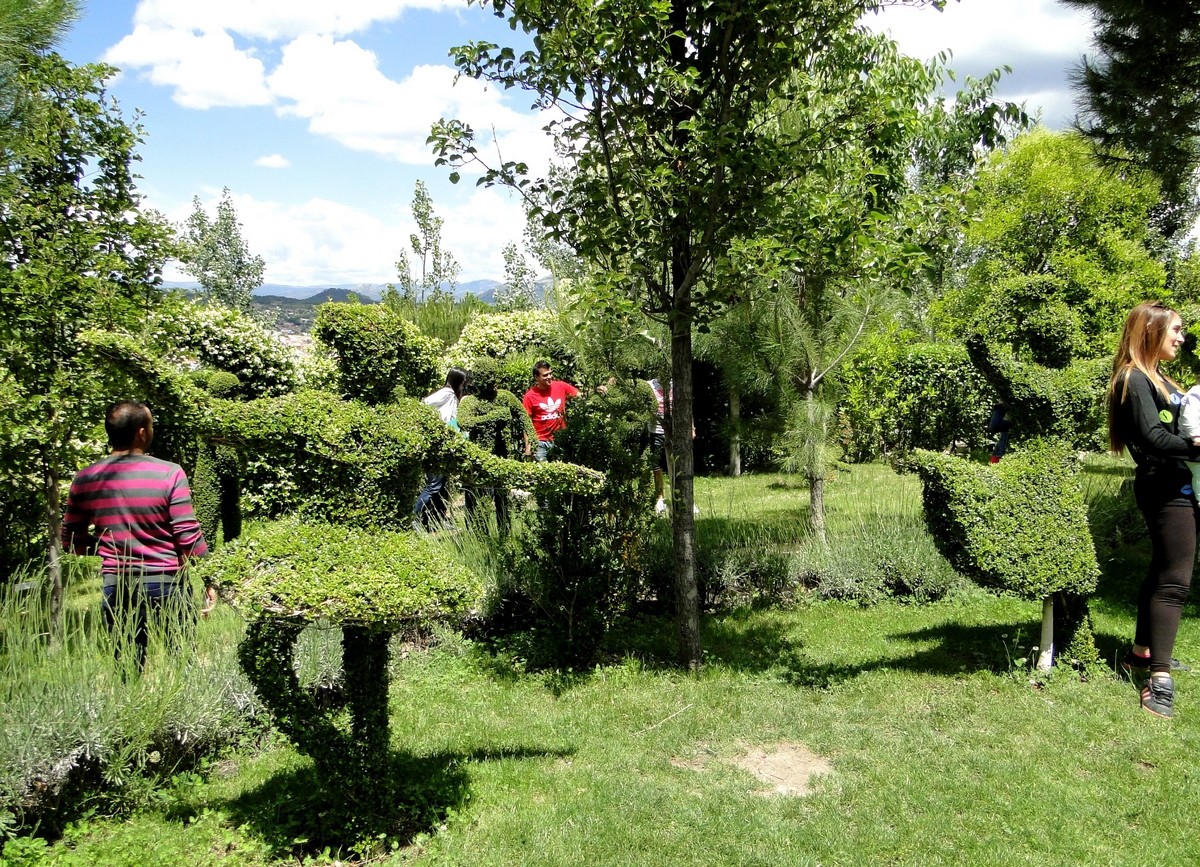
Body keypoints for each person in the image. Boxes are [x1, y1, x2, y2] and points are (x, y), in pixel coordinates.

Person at [61, 400, 210, 671]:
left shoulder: (85, 478)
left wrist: (110, 546)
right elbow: (187, 534)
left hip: (117, 585)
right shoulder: (169, 473)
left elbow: (72, 541)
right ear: (142, 432)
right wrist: (213, 576)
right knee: (183, 665)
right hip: (168, 584)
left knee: (128, 666)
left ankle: (130, 711)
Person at [1107, 301, 1200, 718]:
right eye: (1176, 330)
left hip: (1178, 485)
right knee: (1175, 582)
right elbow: (1154, 440)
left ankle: (1142, 654)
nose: (1182, 338)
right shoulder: (1133, 378)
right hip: (1165, 488)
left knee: (1161, 571)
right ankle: (1158, 679)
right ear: (1151, 332)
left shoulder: (1161, 378)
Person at [458, 358, 535, 533]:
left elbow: (523, 415)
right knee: (480, 496)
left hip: (503, 455)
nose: (491, 383)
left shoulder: (505, 397)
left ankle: (505, 532)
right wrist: (494, 416)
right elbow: (464, 422)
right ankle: (480, 534)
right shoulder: (471, 401)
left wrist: (532, 438)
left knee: (503, 497)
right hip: (480, 456)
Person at [413, 367, 469, 529]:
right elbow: (424, 404)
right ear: (458, 381)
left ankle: (439, 519)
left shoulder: (452, 395)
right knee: (434, 486)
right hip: (437, 447)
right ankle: (414, 518)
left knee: (442, 486)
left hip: (445, 445)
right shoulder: (446, 393)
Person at [522, 360, 579, 462]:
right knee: (542, 472)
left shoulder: (561, 386)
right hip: (540, 442)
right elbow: (526, 423)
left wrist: (597, 391)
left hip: (560, 439)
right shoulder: (529, 396)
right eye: (545, 375)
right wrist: (528, 446)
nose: (549, 377)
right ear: (536, 377)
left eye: (550, 373)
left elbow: (581, 396)